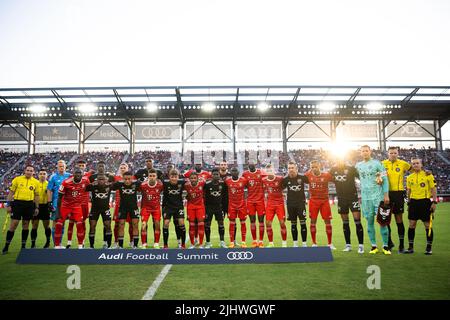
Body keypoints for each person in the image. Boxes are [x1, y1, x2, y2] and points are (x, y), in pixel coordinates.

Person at [355, 145, 391, 255]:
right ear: (360, 153)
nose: (365, 153)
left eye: (367, 151)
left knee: (383, 222)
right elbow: (355, 177)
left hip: (378, 197)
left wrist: (386, 195)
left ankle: (385, 246)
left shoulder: (377, 164)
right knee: (369, 222)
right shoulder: (358, 166)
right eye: (363, 151)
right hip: (365, 198)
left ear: (370, 152)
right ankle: (373, 246)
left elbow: (384, 179)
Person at [2, 165, 40, 254]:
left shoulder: (36, 182)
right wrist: (8, 204)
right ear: (24, 170)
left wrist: (37, 207)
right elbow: (11, 192)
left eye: (31, 171)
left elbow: (37, 195)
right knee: (14, 224)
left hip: (29, 204)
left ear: (33, 172)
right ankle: (6, 246)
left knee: (26, 225)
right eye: (28, 170)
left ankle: (23, 246)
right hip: (18, 203)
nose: (29, 172)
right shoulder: (17, 179)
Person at [329, 158, 364, 253]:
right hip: (341, 199)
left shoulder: (351, 168)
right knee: (345, 222)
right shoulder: (332, 170)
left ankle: (361, 245)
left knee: (357, 221)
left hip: (353, 197)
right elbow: (324, 178)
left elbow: (361, 177)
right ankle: (348, 245)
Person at [381, 146, 412, 253]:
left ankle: (401, 245)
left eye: (395, 153)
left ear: (397, 154)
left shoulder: (403, 164)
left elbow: (415, 170)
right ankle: (389, 243)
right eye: (391, 153)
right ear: (388, 154)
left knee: (399, 220)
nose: (393, 154)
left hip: (398, 194)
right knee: (386, 220)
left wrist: (427, 172)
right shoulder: (382, 164)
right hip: (385, 193)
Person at [405, 158, 437, 255]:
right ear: (412, 165)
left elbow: (433, 189)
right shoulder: (409, 177)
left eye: (417, 163)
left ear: (421, 164)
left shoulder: (428, 175)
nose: (415, 165)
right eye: (413, 164)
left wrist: (434, 202)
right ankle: (410, 247)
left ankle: (429, 248)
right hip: (414, 203)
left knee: (427, 225)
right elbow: (409, 191)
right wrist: (409, 203)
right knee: (412, 225)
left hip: (425, 202)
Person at [54, 168, 90, 249]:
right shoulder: (66, 182)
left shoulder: (86, 180)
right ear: (73, 174)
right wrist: (58, 212)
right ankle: (57, 246)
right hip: (65, 205)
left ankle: (80, 246)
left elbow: (89, 189)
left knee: (80, 224)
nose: (78, 175)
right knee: (59, 224)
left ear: (82, 174)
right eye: (76, 173)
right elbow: (59, 197)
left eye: (79, 173)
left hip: (77, 206)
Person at [305, 161, 335, 249]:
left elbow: (336, 179)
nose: (313, 169)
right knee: (313, 222)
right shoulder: (308, 175)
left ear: (319, 166)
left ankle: (330, 244)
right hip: (313, 201)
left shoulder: (326, 175)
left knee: (328, 222)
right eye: (312, 167)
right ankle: (314, 243)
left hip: (324, 201)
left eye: (315, 167)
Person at [66, 159, 92, 249]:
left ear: (85, 166)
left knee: (82, 223)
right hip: (74, 203)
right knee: (71, 222)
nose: (81, 167)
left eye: (82, 165)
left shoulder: (89, 176)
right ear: (76, 166)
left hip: (84, 204)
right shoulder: (71, 176)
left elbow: (90, 188)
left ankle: (82, 242)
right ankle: (69, 242)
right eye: (79, 165)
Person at [111, 172, 141, 248]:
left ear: (132, 178)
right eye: (125, 179)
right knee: (121, 225)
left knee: (135, 225)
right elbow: (109, 187)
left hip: (134, 207)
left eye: (129, 179)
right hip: (122, 208)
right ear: (123, 179)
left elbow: (145, 186)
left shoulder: (137, 183)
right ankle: (120, 246)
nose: (127, 181)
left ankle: (135, 245)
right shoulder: (119, 184)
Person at [282, 161, 309, 247]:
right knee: (293, 224)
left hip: (301, 204)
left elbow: (311, 181)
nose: (291, 170)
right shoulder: (285, 180)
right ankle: (295, 243)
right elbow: (279, 188)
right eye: (289, 168)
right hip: (290, 204)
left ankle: (304, 243)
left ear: (296, 169)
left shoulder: (302, 177)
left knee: (303, 223)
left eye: (292, 168)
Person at [262, 164, 287, 248]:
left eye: (271, 170)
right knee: (268, 223)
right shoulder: (264, 180)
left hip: (279, 203)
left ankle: (284, 243)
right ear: (266, 172)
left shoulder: (280, 179)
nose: (270, 172)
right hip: (270, 204)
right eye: (268, 170)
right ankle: (271, 243)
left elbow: (285, 186)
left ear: (274, 171)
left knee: (282, 223)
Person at [47, 160, 70, 245]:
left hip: (67, 204)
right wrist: (49, 203)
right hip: (56, 204)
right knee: (55, 223)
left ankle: (59, 243)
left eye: (63, 166)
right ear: (57, 167)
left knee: (62, 223)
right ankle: (56, 244)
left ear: (65, 167)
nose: (61, 167)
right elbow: (49, 190)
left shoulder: (69, 176)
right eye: (60, 166)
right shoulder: (53, 177)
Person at [161, 169, 187, 248]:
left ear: (178, 177)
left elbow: (190, 180)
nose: (174, 178)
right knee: (166, 223)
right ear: (169, 177)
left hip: (179, 207)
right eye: (172, 177)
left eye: (175, 177)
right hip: (168, 207)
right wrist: (163, 208)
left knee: (181, 223)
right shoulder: (165, 183)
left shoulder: (181, 183)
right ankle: (165, 245)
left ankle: (183, 244)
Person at [242, 162, 266, 248]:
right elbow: (243, 185)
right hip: (250, 201)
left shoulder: (261, 173)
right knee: (252, 221)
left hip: (260, 201)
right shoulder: (245, 174)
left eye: (252, 164)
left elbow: (267, 181)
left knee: (261, 221)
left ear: (255, 165)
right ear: (248, 166)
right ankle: (254, 241)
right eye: (249, 164)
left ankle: (261, 241)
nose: (251, 165)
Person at [86, 175, 113, 248]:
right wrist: (91, 184)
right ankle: (91, 246)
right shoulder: (93, 186)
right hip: (94, 209)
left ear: (106, 180)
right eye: (99, 179)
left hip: (105, 209)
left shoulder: (110, 186)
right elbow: (85, 188)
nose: (101, 181)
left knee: (108, 226)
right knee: (92, 226)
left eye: (103, 179)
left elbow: (119, 183)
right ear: (97, 180)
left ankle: (109, 246)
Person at [139, 169, 164, 249]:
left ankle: (156, 243)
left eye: (153, 176)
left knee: (157, 224)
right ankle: (144, 243)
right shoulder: (143, 185)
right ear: (148, 177)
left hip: (156, 208)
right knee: (143, 225)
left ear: (156, 177)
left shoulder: (160, 185)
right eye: (150, 176)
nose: (152, 177)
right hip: (146, 208)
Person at [224, 167, 248, 248]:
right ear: (230, 172)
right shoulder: (227, 181)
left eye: (235, 171)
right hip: (232, 206)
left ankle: (243, 242)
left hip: (242, 205)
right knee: (232, 223)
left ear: (238, 172)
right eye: (233, 171)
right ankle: (231, 242)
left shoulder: (243, 180)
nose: (234, 172)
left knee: (243, 223)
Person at [111, 163, 134, 249]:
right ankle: (116, 242)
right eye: (121, 168)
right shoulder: (115, 178)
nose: (123, 169)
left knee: (131, 223)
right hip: (119, 205)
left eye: (125, 168)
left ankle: (132, 241)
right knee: (117, 224)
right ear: (119, 169)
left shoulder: (132, 178)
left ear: (127, 169)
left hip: (130, 204)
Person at [204, 168, 227, 248]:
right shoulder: (207, 184)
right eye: (214, 174)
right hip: (209, 207)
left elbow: (225, 197)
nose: (216, 176)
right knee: (207, 224)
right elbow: (204, 196)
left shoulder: (222, 184)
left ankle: (222, 241)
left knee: (221, 223)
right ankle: (208, 242)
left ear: (219, 175)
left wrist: (225, 209)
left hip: (219, 208)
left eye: (217, 174)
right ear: (211, 175)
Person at [184, 171, 206, 248]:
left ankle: (201, 244)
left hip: (200, 207)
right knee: (192, 225)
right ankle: (192, 244)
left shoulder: (202, 183)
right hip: (190, 207)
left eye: (194, 178)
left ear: (197, 179)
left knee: (201, 225)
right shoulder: (186, 185)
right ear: (189, 179)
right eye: (191, 178)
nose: (193, 179)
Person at [30, 168, 51, 248]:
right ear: (38, 175)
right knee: (34, 225)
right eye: (41, 174)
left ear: (46, 175)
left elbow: (51, 195)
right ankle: (33, 243)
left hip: (45, 206)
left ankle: (47, 242)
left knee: (46, 226)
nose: (42, 175)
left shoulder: (49, 184)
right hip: (35, 206)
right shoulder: (35, 183)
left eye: (44, 174)